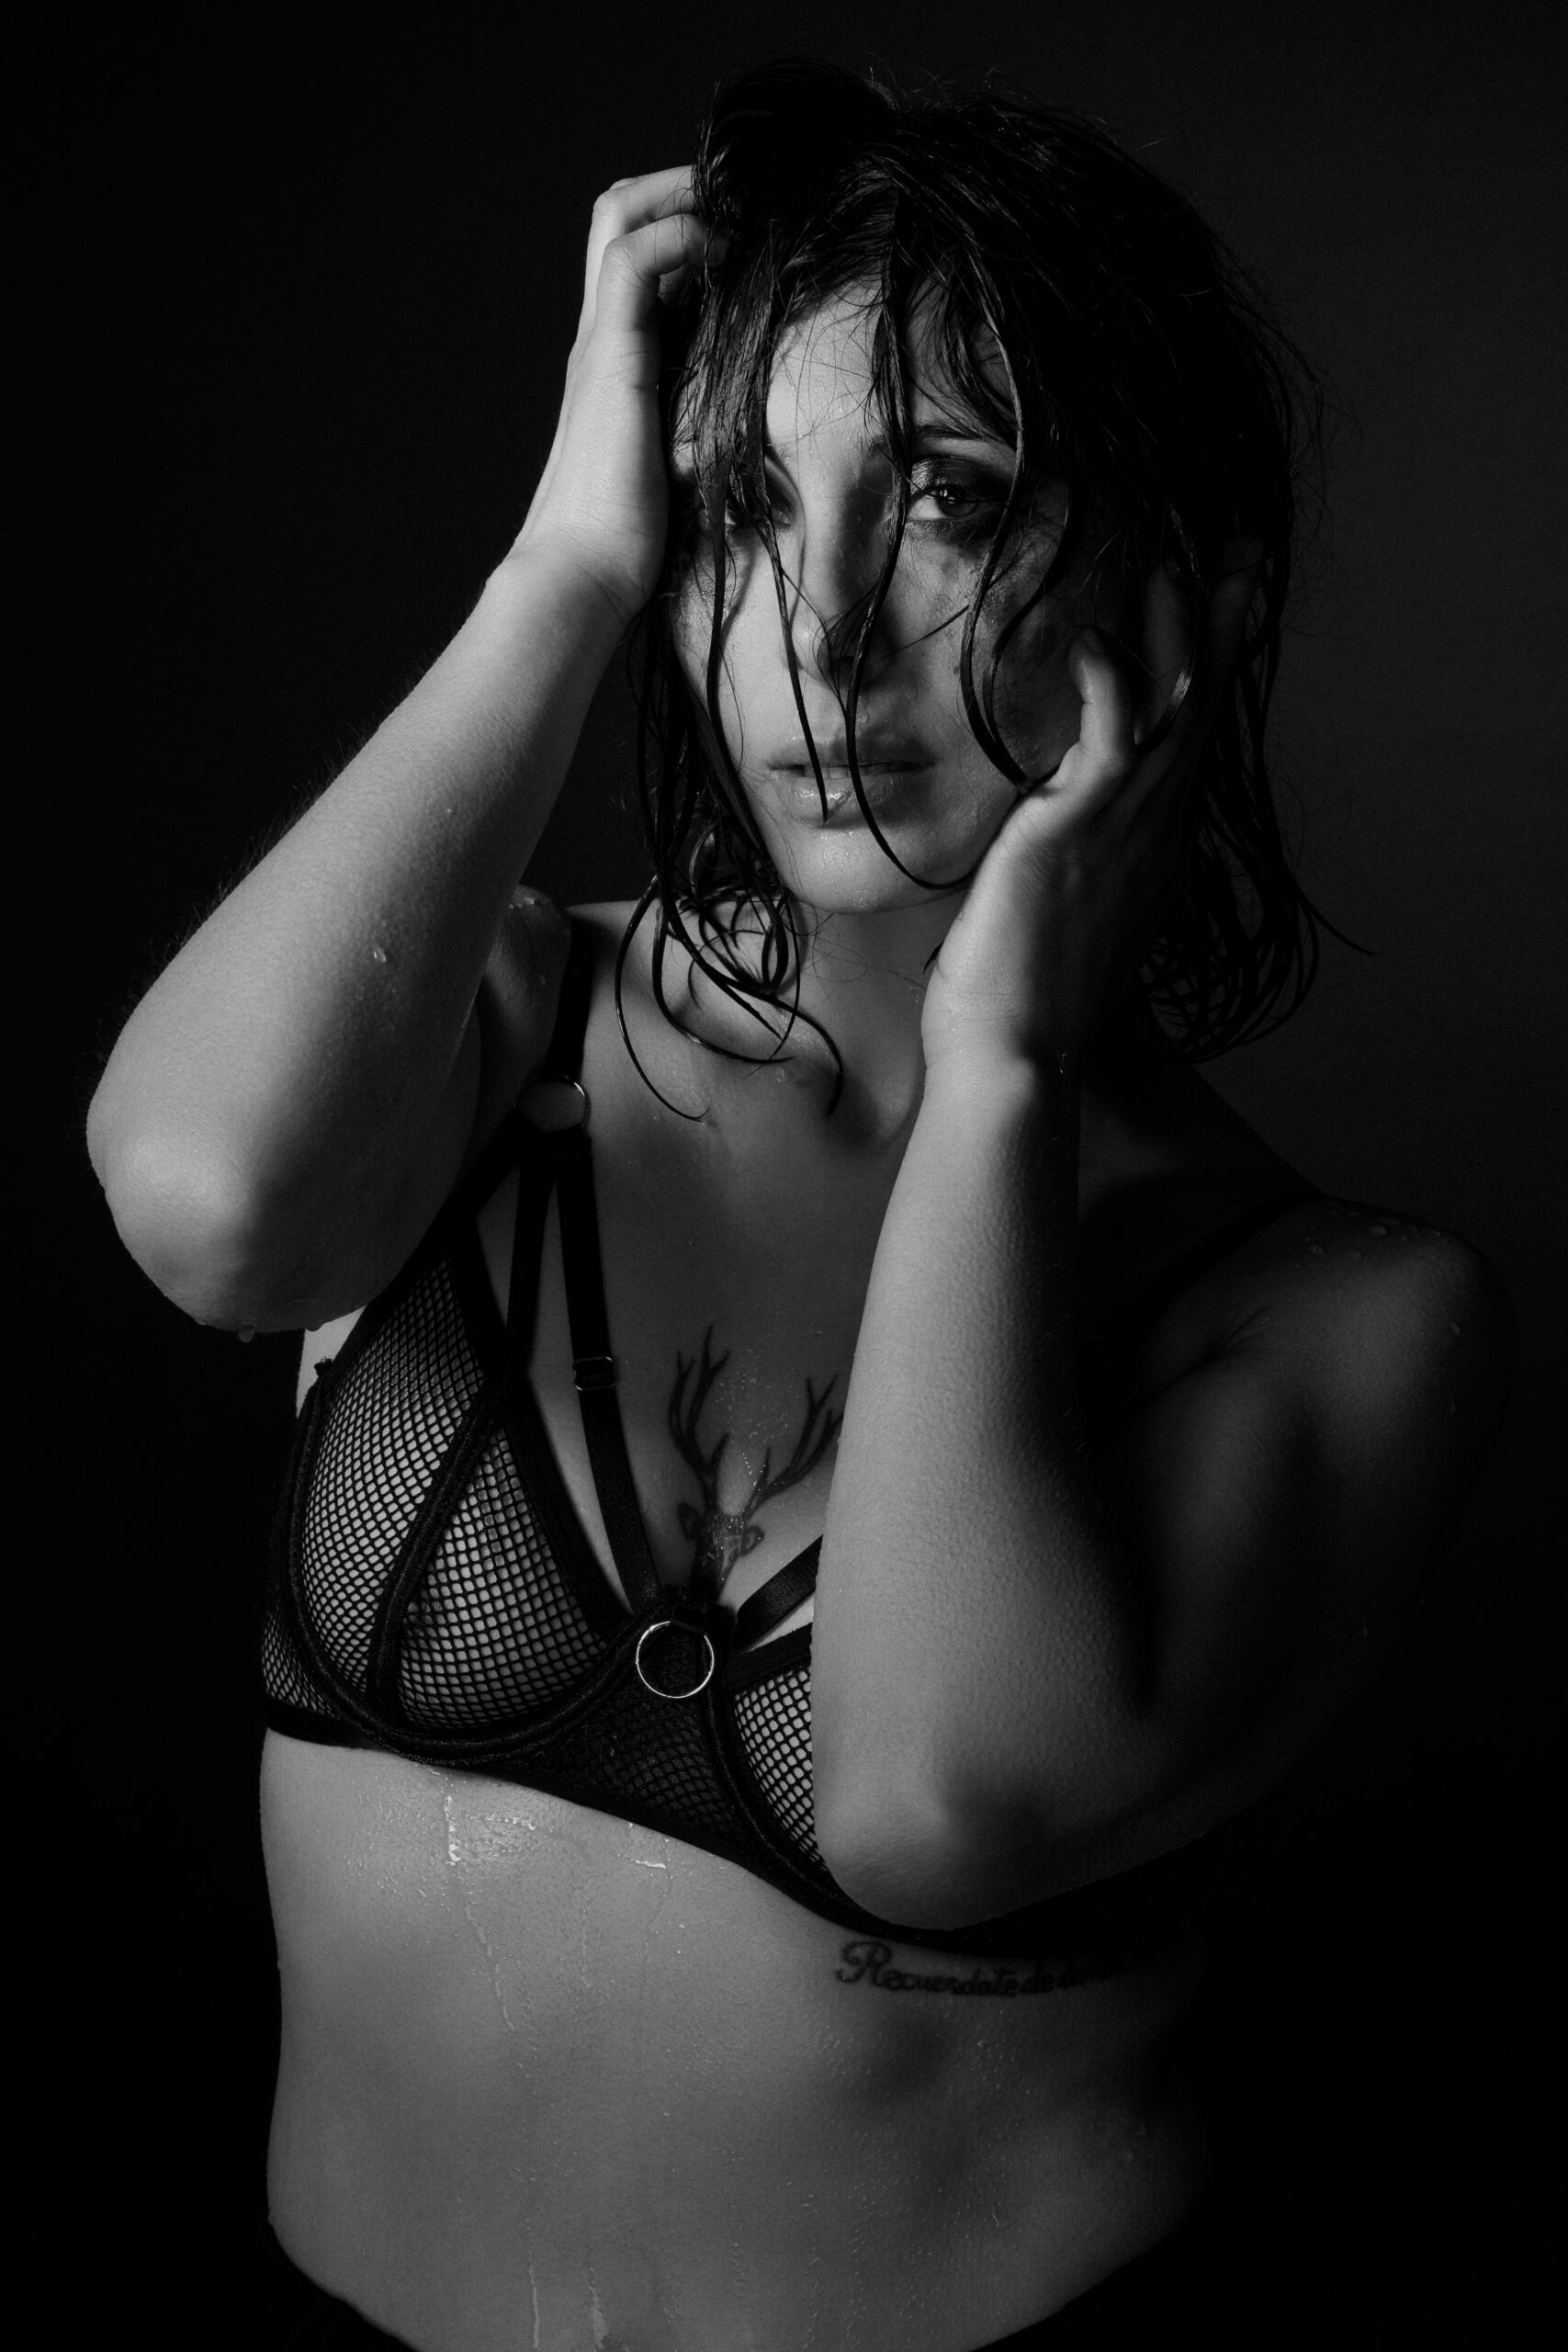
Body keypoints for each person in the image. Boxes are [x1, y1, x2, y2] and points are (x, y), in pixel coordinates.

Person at [87, 58, 1511, 2352]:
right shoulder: (496, 1030)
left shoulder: (1332, 1311)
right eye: (743, 504)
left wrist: (1003, 1059)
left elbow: (939, 1797)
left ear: (1199, 593)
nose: (820, 626)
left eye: (948, 492)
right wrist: (565, 566)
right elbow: (207, 1205)